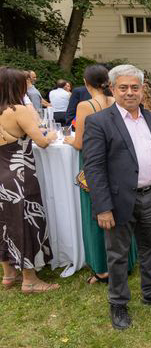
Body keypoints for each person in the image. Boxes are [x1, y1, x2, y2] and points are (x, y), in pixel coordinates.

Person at [83, 64, 151, 330]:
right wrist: (103, 207)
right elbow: (93, 168)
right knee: (118, 255)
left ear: (142, 89)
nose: (129, 93)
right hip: (117, 201)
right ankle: (118, 303)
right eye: (123, 88)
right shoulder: (99, 121)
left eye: (134, 87)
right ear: (113, 89)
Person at [64, 65, 138, 284]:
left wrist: (68, 139)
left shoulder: (85, 105)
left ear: (86, 84)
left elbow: (80, 143)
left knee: (97, 213)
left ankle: (102, 268)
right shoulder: (116, 101)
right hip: (117, 163)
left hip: (94, 165)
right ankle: (127, 261)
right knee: (122, 211)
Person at [0, 67, 59, 293]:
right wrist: (51, 135)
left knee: (4, 223)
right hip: (19, 176)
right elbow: (42, 141)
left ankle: (8, 274)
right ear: (16, 86)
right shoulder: (18, 110)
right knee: (25, 222)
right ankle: (29, 279)